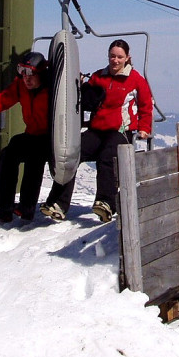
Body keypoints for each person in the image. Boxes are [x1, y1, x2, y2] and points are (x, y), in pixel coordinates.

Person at [42, 38, 153, 223]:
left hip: (120, 131)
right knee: (71, 153)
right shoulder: (99, 76)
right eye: (112, 56)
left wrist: (144, 128)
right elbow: (85, 98)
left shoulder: (135, 80)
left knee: (107, 156)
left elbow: (145, 105)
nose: (115, 60)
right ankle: (58, 203)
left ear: (127, 58)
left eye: (119, 57)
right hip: (97, 129)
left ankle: (106, 202)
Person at [0, 51, 51, 223]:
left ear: (40, 73)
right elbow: (4, 99)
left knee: (35, 159)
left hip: (49, 137)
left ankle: (27, 207)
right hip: (32, 133)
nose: (26, 78)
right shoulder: (21, 86)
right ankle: (4, 206)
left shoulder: (52, 88)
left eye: (30, 74)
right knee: (9, 153)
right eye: (22, 72)